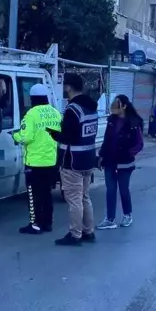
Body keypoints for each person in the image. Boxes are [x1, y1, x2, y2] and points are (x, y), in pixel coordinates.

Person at [47, 72, 98, 247]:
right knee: (84, 196)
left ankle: (75, 235)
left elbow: (68, 136)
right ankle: (88, 231)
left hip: (72, 161)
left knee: (74, 199)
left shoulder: (72, 110)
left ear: (68, 87)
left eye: (64, 85)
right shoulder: (91, 107)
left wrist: (54, 134)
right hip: (88, 159)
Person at [12, 83, 62, 235]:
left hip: (34, 163)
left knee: (33, 195)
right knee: (47, 193)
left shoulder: (31, 114)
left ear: (32, 98)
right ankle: (47, 223)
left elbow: (26, 137)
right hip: (51, 161)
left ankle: (35, 225)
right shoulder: (55, 113)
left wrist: (15, 135)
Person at [96, 94, 144, 229]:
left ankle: (127, 215)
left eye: (116, 104)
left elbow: (139, 144)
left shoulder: (134, 123)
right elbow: (107, 140)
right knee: (110, 190)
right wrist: (101, 156)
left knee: (123, 190)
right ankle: (110, 219)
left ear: (124, 106)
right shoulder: (111, 121)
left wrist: (128, 153)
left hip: (125, 163)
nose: (113, 107)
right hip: (110, 161)